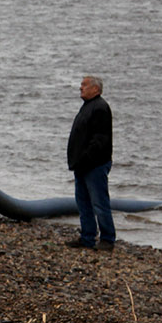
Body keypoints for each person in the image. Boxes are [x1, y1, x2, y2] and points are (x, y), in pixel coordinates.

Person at [66, 75, 114, 250]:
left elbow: (100, 139)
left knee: (99, 203)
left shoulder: (100, 107)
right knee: (83, 203)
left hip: (94, 165)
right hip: (81, 165)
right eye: (81, 85)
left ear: (96, 89)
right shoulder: (87, 107)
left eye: (84, 85)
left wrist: (86, 158)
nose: (81, 88)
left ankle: (108, 239)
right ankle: (87, 237)